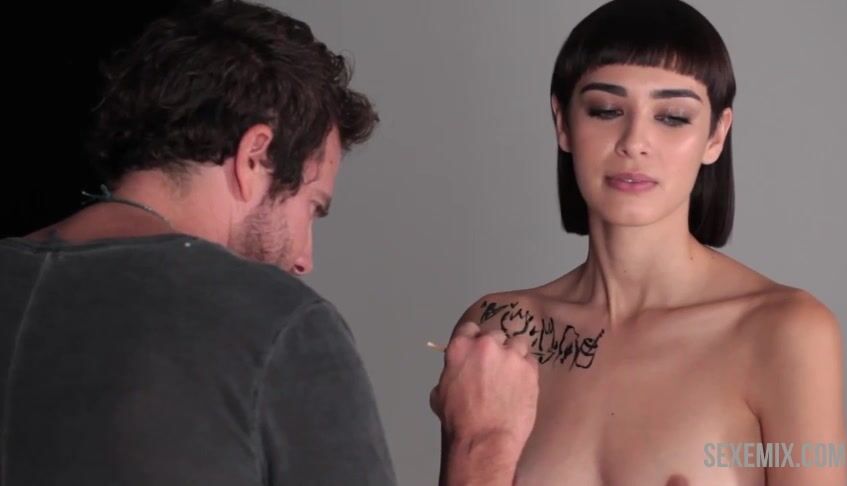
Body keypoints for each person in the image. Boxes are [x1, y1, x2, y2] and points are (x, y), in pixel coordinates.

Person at [0, 1, 538, 485]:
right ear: (255, 156)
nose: (305, 258)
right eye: (313, 207)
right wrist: (482, 442)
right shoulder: (278, 322)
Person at [438, 0, 846, 485]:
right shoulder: (498, 333)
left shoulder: (787, 334)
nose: (635, 141)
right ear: (563, 123)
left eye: (672, 116)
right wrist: (479, 442)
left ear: (716, 136)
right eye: (606, 110)